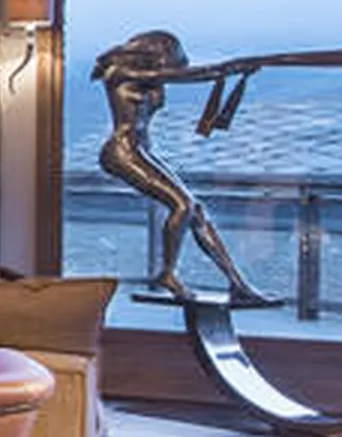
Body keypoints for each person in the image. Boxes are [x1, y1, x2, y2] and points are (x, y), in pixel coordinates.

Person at [88, 29, 268, 303]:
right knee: (182, 205)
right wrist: (228, 69)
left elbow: (182, 74)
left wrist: (232, 70)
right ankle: (168, 274)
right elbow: (184, 76)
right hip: (122, 152)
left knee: (195, 210)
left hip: (141, 150)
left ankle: (237, 283)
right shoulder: (120, 73)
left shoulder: (150, 77)